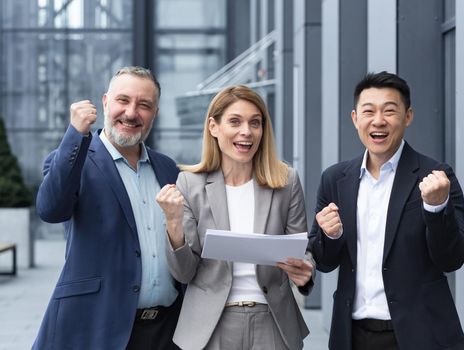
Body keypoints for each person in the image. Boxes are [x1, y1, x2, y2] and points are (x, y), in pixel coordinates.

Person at [309, 71, 464, 350]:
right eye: (368, 111)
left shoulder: (437, 177)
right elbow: (322, 262)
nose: (378, 121)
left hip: (420, 333)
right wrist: (330, 235)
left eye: (390, 111)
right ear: (355, 118)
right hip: (352, 334)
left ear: (407, 117)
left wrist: (435, 207)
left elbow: (452, 258)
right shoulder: (335, 179)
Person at [33, 66, 184, 350]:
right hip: (97, 329)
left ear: (155, 113)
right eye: (123, 100)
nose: (131, 113)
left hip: (166, 332)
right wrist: (75, 135)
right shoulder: (71, 159)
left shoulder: (168, 168)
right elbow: (51, 210)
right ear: (105, 102)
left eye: (144, 105)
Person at [155, 85, 314, 350]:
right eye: (235, 122)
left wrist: (305, 273)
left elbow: (303, 252)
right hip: (210, 325)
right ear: (213, 127)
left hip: (272, 322)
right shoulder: (190, 183)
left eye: (255, 123)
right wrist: (173, 223)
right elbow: (184, 273)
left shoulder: (286, 182)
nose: (246, 132)